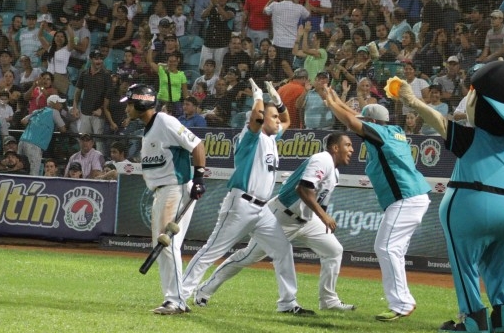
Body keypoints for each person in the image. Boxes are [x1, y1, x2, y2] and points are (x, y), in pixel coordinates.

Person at [396, 60, 504, 333]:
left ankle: (473, 317)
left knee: (465, 263)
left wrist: (412, 101)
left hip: (475, 204)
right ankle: (502, 317)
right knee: (500, 265)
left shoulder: (470, 138)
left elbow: (439, 121)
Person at [180, 80, 312, 315]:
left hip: (262, 211)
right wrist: (258, 98)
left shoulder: (271, 139)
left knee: (282, 250)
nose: (277, 121)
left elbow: (287, 121)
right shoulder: (251, 137)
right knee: (212, 251)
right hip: (240, 204)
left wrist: (280, 104)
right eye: (272, 117)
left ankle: (287, 303)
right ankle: (180, 296)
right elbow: (258, 118)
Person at [194, 132, 357, 311]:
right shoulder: (322, 159)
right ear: (335, 148)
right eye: (347, 145)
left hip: (306, 220)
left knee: (333, 250)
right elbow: (302, 189)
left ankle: (328, 300)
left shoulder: (335, 172)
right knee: (247, 257)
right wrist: (324, 217)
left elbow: (320, 202)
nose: (351, 149)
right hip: (281, 216)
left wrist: (322, 217)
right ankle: (204, 290)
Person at [323, 88, 431, 321]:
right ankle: (404, 300)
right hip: (412, 197)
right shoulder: (392, 131)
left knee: (385, 247)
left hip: (406, 198)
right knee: (394, 250)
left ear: (372, 122)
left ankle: (402, 303)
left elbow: (353, 122)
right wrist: (335, 100)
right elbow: (354, 118)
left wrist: (332, 105)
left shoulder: (381, 133)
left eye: (365, 121)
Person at [118, 84, 206, 314]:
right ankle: (174, 298)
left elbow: (197, 144)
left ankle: (176, 300)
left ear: (141, 102)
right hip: (162, 191)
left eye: (129, 103)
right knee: (162, 243)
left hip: (174, 188)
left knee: (167, 243)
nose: (127, 108)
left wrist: (198, 178)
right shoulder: (149, 128)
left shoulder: (165, 122)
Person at [72, 49, 114, 147]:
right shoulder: (84, 74)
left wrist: (101, 109)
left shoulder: (106, 75)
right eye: (96, 59)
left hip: (98, 115)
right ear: (91, 59)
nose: (99, 61)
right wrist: (75, 107)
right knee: (83, 141)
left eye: (100, 59)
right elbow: (78, 91)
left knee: (99, 143)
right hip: (85, 113)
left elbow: (109, 96)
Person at [18, 94, 67, 175]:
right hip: (34, 145)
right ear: (52, 103)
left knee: (20, 169)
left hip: (22, 141)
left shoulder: (38, 111)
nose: (61, 105)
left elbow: (23, 121)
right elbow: (63, 129)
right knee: (34, 172)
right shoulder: (54, 112)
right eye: (59, 102)